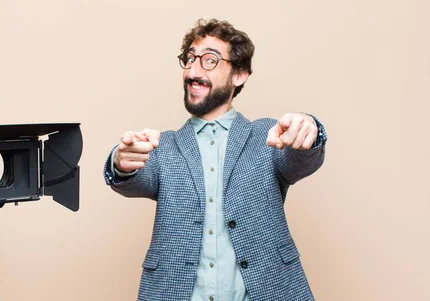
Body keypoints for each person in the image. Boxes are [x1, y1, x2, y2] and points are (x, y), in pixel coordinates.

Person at [103, 19, 327, 301]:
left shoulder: (268, 135)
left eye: (209, 60)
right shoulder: (164, 146)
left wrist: (308, 130)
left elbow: (301, 160)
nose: (194, 71)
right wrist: (120, 162)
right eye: (189, 59)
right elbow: (134, 180)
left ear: (240, 75)